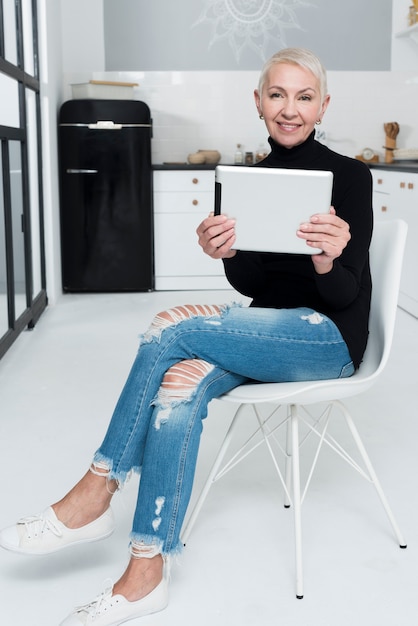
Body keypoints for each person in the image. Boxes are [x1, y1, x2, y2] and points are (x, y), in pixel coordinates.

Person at [0, 47, 372, 626]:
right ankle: (145, 571)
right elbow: (252, 283)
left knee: (172, 324)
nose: (290, 109)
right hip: (260, 332)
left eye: (304, 97)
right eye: (277, 95)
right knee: (180, 379)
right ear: (259, 102)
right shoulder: (242, 179)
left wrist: (328, 260)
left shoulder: (350, 178)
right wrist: (223, 252)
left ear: (323, 105)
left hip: (326, 340)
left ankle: (97, 488)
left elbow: (349, 297)